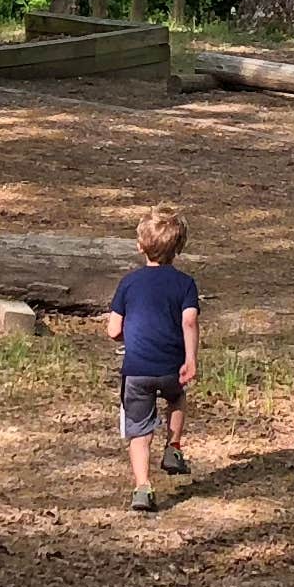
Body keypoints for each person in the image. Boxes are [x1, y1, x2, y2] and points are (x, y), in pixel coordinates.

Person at [103, 206, 202, 513]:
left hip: (137, 370)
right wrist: (191, 358)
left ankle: (143, 487)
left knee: (138, 427)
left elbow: (113, 330)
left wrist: (128, 339)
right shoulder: (185, 284)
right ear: (179, 248)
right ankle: (173, 447)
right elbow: (189, 322)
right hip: (171, 366)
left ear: (140, 245)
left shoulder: (129, 283)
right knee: (176, 398)